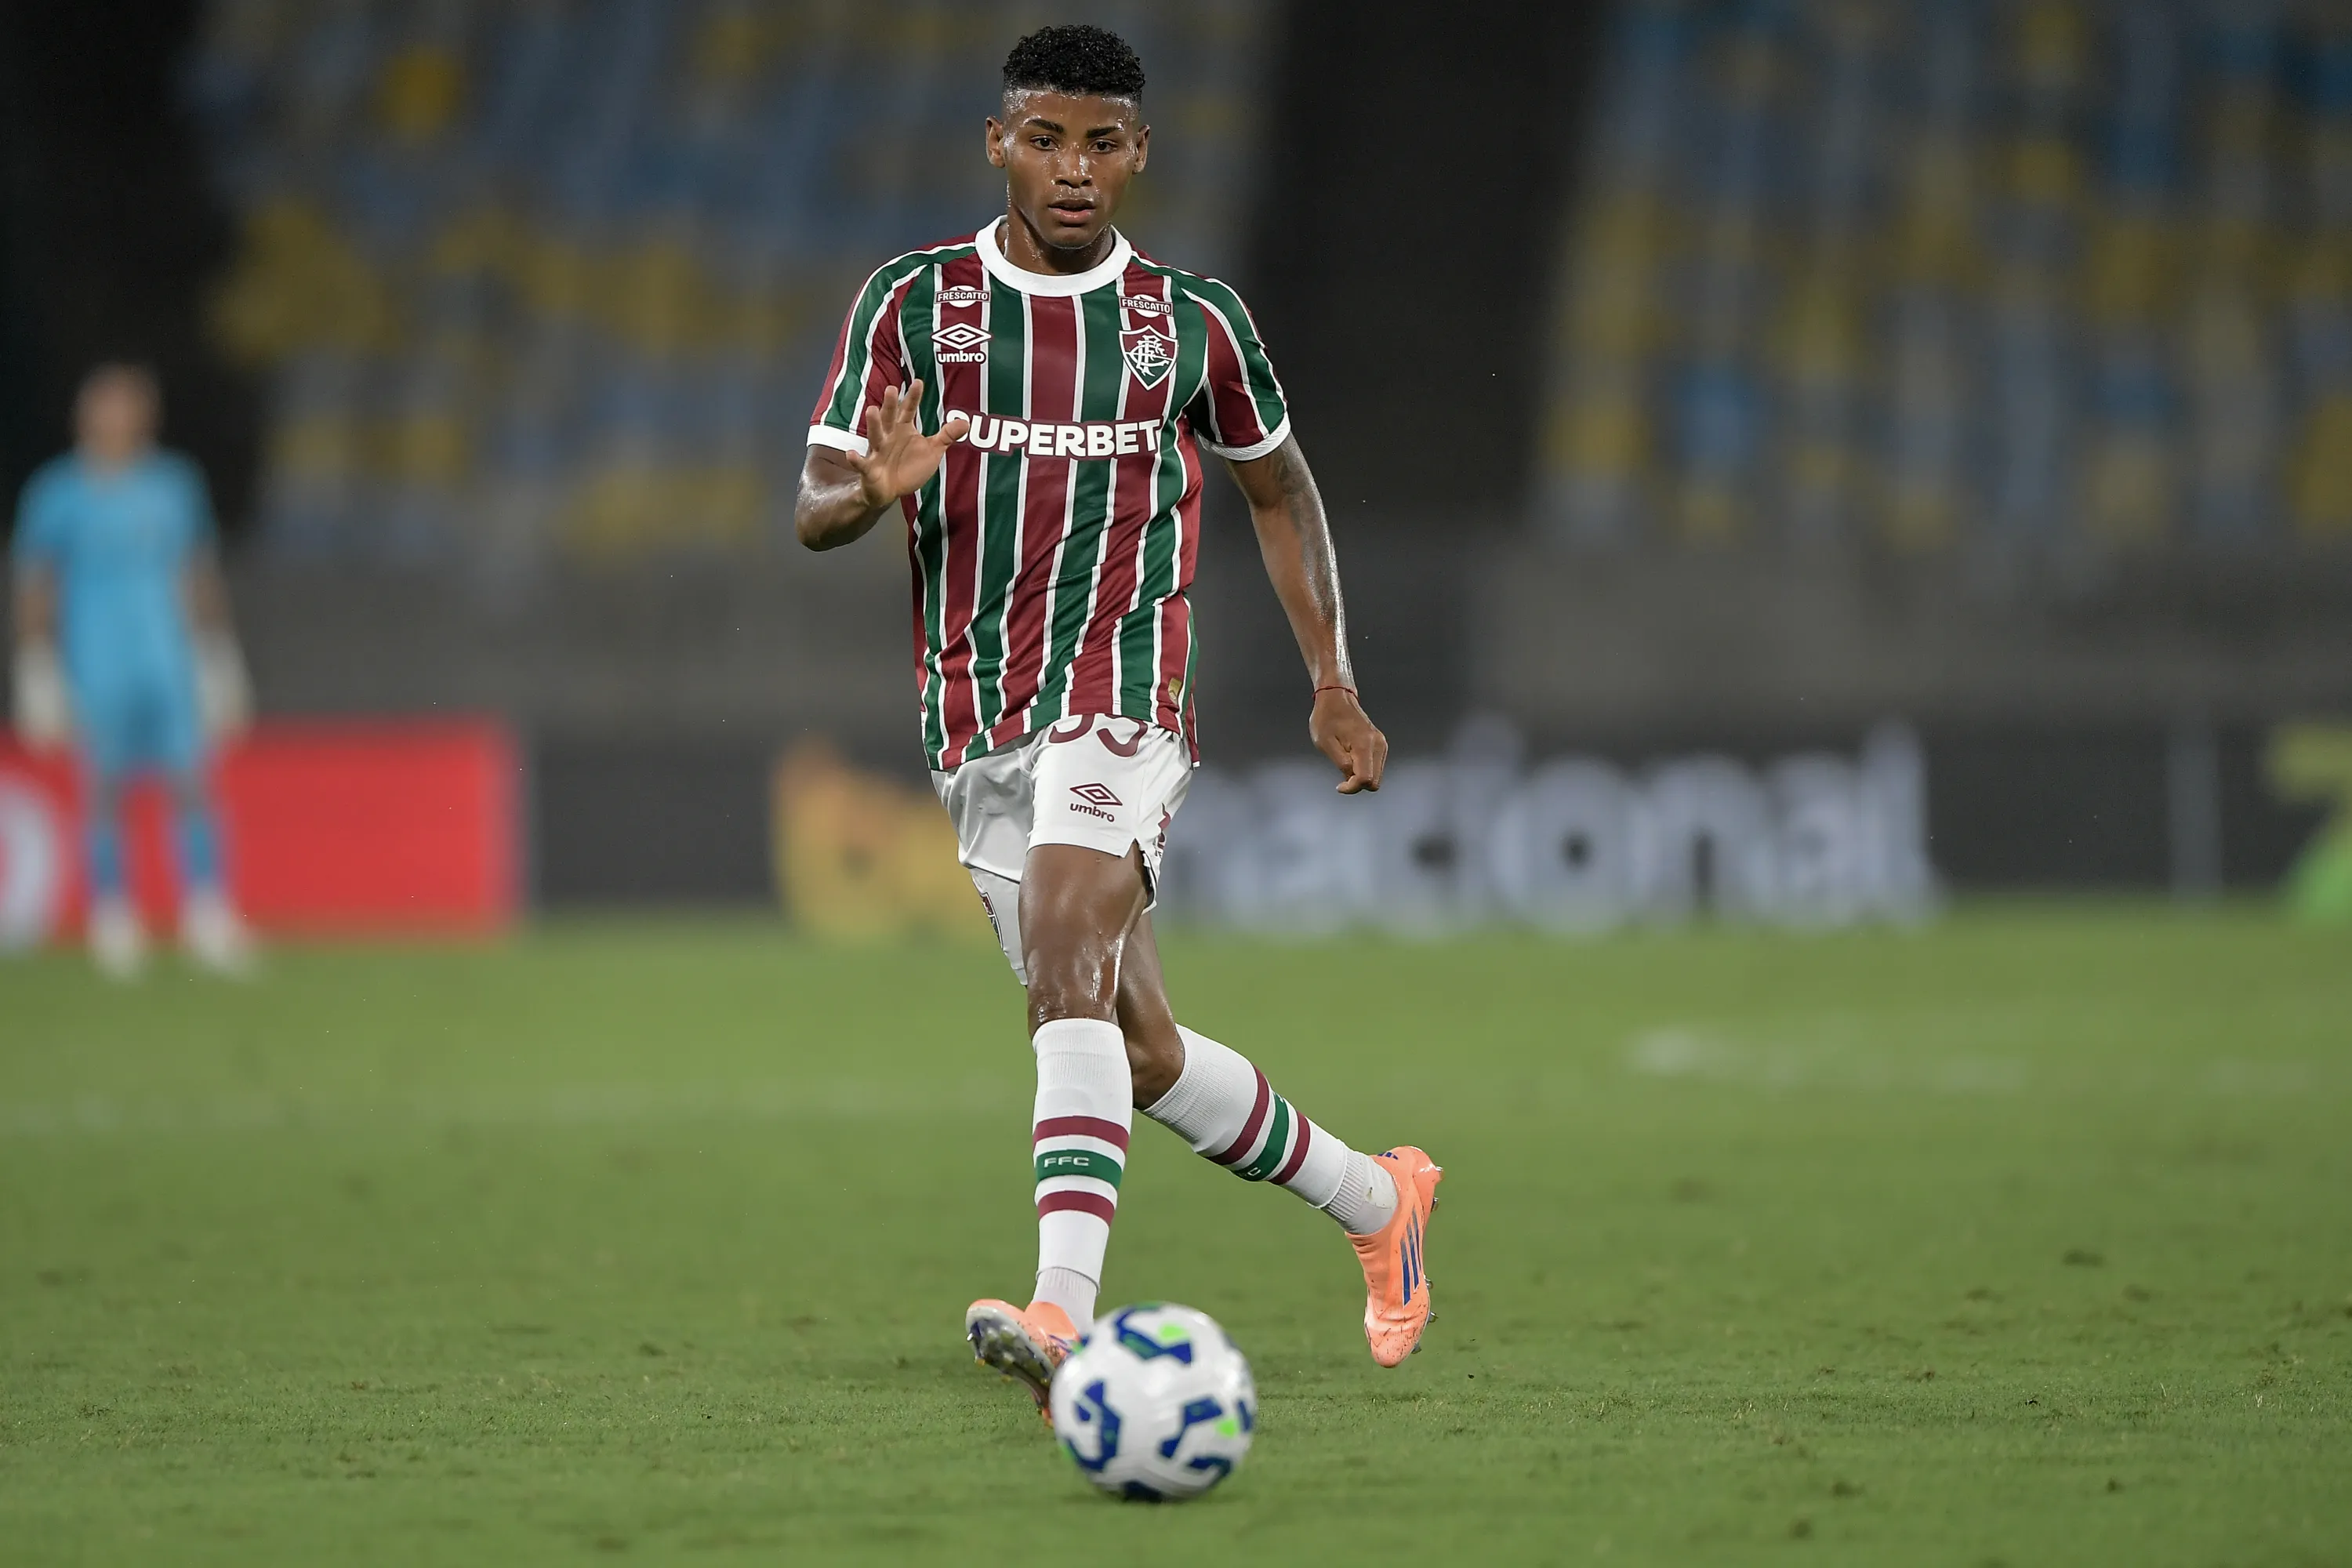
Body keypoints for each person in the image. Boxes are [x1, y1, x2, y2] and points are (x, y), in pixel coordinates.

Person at [794, 25, 1439, 1415]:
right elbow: (813, 508)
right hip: (976, 727)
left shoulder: (1191, 323)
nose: (1073, 168)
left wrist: (1332, 677)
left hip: (1124, 697)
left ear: (1139, 152)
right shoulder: (915, 305)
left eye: (1101, 141)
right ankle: (1379, 1199)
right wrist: (874, 493)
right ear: (997, 144)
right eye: (1045, 137)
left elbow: (1280, 490)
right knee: (1130, 1046)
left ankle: (1062, 1316)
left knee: (1073, 938)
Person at [10, 363, 255, 977]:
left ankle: (207, 910)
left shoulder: (174, 485)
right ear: (84, 417)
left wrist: (217, 652)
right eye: (108, 407)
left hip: (166, 656)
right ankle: (113, 917)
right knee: (103, 790)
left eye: (130, 408)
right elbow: (37, 582)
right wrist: (36, 663)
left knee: (192, 780)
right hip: (97, 659)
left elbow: (196, 570)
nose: (119, 419)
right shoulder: (57, 492)